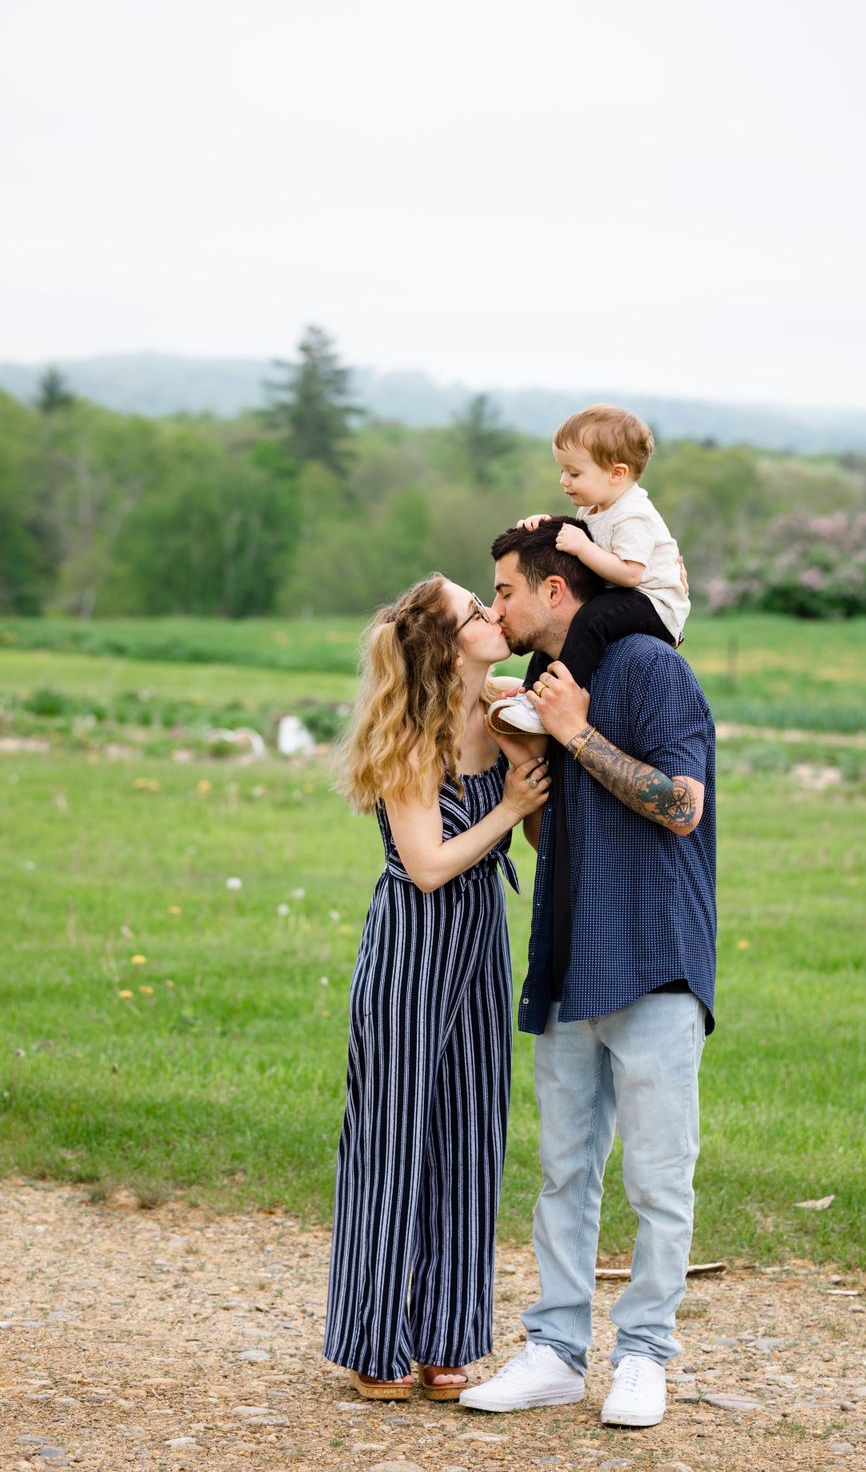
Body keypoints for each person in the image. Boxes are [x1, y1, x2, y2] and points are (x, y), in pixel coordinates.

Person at [460, 521, 716, 1429]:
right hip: (567, 957)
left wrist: (573, 733)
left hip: (653, 958)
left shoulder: (648, 667)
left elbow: (680, 807)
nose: (498, 609)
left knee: (656, 1176)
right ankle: (556, 1353)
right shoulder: (545, 684)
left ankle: (644, 1356)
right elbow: (555, 831)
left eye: (505, 592)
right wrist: (534, 757)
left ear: (556, 592)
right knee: (565, 1172)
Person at [323, 575, 550, 1402]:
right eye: (476, 611)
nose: (495, 616)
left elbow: (532, 822)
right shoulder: (414, 737)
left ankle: (447, 1339)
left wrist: (530, 759)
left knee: (468, 1136)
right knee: (389, 1146)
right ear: (443, 645)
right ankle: (374, 1342)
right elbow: (425, 867)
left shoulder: (500, 712)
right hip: (412, 946)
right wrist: (507, 810)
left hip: (479, 939)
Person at [491, 403, 690, 735]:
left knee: (590, 619)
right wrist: (544, 525)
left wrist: (583, 547)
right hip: (625, 594)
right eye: (563, 471)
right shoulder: (596, 507)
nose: (563, 481)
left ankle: (561, 695)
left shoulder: (634, 514)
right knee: (557, 629)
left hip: (655, 603)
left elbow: (630, 574)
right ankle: (530, 694)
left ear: (617, 473)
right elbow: (575, 543)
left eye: (574, 473)